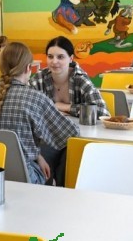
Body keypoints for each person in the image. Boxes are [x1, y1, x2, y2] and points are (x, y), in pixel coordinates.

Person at [0, 42, 79, 185]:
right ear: (29, 68)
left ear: (1, 66)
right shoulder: (35, 99)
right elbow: (71, 133)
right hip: (25, 178)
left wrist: (37, 155)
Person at [29, 36, 108, 185]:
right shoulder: (38, 79)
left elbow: (102, 111)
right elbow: (28, 109)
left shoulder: (80, 78)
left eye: (60, 57)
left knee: (66, 170)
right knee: (39, 167)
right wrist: (54, 108)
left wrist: (65, 107)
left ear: (71, 58)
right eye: (50, 56)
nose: (54, 61)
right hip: (48, 138)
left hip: (76, 137)